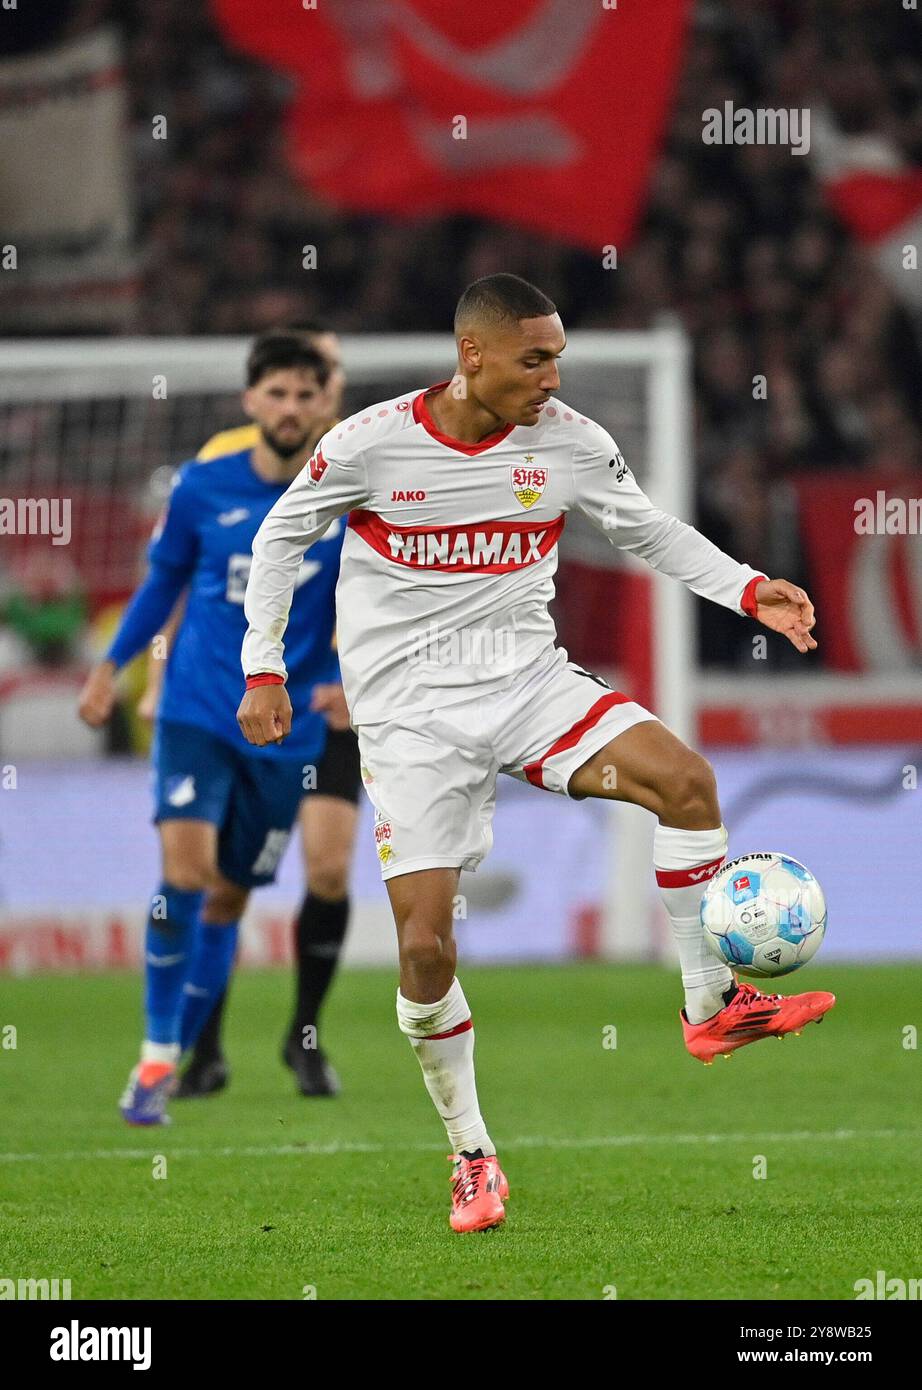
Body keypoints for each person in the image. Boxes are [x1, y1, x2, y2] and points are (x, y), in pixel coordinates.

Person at [236, 274, 834, 1233]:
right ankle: (472, 1155)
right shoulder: (370, 443)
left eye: (558, 356)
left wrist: (750, 588)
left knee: (685, 782)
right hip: (410, 720)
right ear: (472, 355)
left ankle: (710, 1003)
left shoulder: (571, 443)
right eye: (534, 358)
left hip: (526, 686)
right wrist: (262, 666)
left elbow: (648, 532)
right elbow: (279, 539)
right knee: (425, 948)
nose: (552, 377)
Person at [78, 331, 352, 1125]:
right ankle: (157, 1057)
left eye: (305, 394)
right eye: (277, 393)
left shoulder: (346, 495)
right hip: (200, 707)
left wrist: (350, 678)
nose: (291, 407)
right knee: (186, 875)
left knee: (230, 897)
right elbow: (163, 579)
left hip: (286, 731)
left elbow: (372, 598)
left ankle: (187, 1055)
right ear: (251, 402)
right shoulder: (204, 486)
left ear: (322, 400)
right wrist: (113, 665)